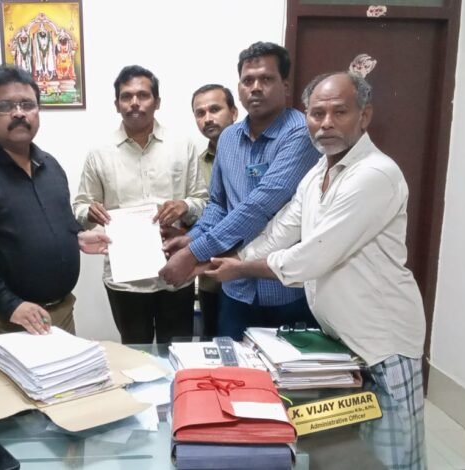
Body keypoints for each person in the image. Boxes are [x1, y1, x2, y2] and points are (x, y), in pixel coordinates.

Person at [206, 71, 427, 469]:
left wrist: (240, 269)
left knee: (393, 457)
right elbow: (281, 230)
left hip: (382, 341)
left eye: (339, 112)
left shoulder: (374, 174)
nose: (325, 123)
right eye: (316, 113)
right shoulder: (318, 172)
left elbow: (312, 257)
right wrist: (229, 259)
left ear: (364, 116)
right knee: (348, 453)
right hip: (341, 340)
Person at [0, 65, 110, 342]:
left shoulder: (50, 166)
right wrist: (10, 304)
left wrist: (76, 237)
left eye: (27, 104)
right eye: (5, 106)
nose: (18, 113)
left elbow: (54, 222)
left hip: (59, 314)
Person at [159, 41, 320, 340]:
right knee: (231, 366)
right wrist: (190, 238)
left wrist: (194, 252)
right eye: (248, 80)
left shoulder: (300, 133)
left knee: (287, 369)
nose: (255, 87)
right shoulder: (229, 138)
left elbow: (260, 206)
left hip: (286, 289)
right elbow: (218, 204)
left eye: (266, 79)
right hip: (235, 288)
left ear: (285, 85)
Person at [73, 65, 208, 344]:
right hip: (125, 280)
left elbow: (203, 201)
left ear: (157, 102)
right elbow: (80, 207)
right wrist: (90, 212)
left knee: (177, 351)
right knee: (136, 355)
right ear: (116, 104)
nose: (134, 102)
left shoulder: (182, 146)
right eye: (126, 96)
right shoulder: (100, 153)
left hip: (176, 272)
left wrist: (185, 206)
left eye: (143, 95)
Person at [189, 84, 238, 337]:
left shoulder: (254, 157)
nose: (207, 118)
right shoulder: (196, 165)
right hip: (210, 277)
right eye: (200, 113)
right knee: (212, 343)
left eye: (215, 109)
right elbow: (197, 215)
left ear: (234, 112)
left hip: (253, 274)